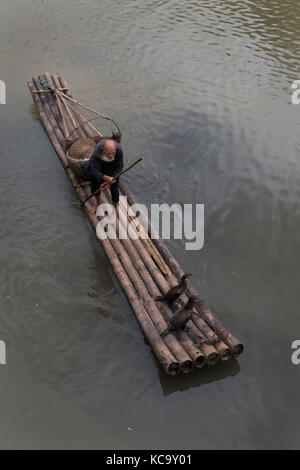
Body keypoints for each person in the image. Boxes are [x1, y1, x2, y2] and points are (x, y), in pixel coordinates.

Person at [81, 138, 124, 214]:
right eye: (109, 153)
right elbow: (95, 170)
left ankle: (115, 207)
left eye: (113, 153)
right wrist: (105, 178)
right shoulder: (98, 151)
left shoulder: (119, 151)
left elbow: (119, 168)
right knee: (95, 184)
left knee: (114, 187)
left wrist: (111, 180)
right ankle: (98, 203)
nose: (111, 155)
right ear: (103, 151)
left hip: (112, 166)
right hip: (100, 165)